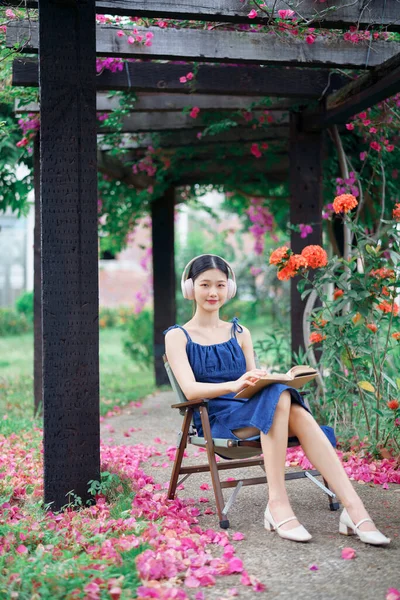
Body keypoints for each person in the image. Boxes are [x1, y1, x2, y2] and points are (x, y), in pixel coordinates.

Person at [164, 254, 390, 545]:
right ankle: (285, 504)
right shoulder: (178, 336)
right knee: (283, 400)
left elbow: (250, 381)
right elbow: (191, 390)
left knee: (280, 394)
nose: (212, 293)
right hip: (218, 420)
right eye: (205, 285)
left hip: (252, 410)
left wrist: (262, 378)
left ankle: (352, 509)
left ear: (229, 289)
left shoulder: (240, 332)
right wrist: (235, 384)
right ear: (190, 288)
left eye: (220, 285)